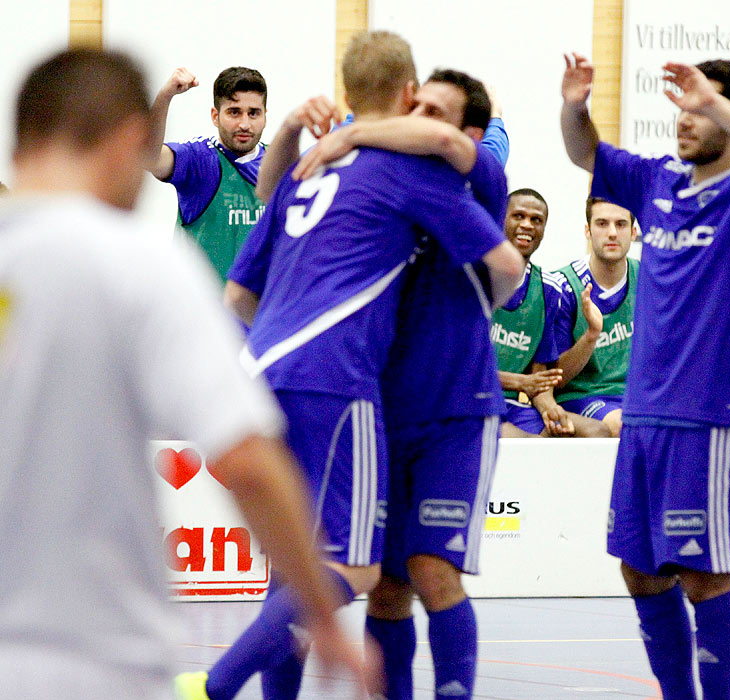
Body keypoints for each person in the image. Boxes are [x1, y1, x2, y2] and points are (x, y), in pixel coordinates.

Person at [0, 48, 374, 699]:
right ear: (129, 138)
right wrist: (320, 607)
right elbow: (249, 464)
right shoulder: (146, 270)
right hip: (103, 661)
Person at [175, 31, 523, 700]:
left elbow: (240, 294)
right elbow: (502, 263)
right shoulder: (394, 174)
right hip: (348, 387)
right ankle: (218, 685)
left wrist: (335, 138)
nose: (424, 123)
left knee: (416, 572)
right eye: (418, 107)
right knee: (361, 575)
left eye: (438, 114)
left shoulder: (461, 165)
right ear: (404, 95)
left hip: (434, 401)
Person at [561, 53, 730, 699]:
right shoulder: (656, 179)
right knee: (639, 570)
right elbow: (583, 153)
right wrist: (573, 106)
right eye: (682, 106)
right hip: (643, 413)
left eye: (699, 108)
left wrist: (712, 101)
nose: (684, 119)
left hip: (709, 415)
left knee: (701, 577)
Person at [493, 188, 611, 438]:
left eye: (536, 220)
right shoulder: (474, 277)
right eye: (518, 216)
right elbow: (461, 368)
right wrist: (519, 382)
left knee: (596, 431)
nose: (527, 225)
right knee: (523, 440)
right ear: (500, 218)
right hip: (473, 402)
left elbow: (540, 379)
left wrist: (551, 410)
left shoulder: (548, 289)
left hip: (515, 408)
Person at [148, 66, 268, 282]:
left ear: (265, 116)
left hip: (259, 313)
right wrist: (165, 95)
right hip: (202, 313)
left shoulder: (278, 163)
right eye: (234, 112)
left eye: (253, 113)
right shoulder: (199, 161)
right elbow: (149, 157)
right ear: (215, 116)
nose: (244, 124)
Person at [553, 196, 639, 437]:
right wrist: (591, 335)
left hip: (637, 398)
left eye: (620, 224)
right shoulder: (563, 286)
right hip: (583, 396)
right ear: (587, 231)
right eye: (602, 224)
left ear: (633, 232)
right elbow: (555, 379)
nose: (612, 233)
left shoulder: (650, 280)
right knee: (626, 427)